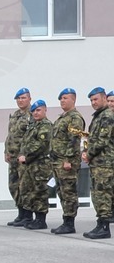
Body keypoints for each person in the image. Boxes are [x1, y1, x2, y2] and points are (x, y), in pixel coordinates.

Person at [50, 88, 86, 235]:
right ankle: (66, 220)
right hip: (57, 161)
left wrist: (68, 160)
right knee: (62, 191)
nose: (62, 101)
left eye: (65, 98)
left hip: (66, 162)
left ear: (73, 99)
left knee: (69, 192)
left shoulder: (75, 118)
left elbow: (74, 140)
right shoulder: (62, 117)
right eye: (61, 99)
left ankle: (69, 223)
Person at [82, 86, 114, 240]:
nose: (93, 102)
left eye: (96, 99)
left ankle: (104, 227)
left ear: (104, 98)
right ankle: (100, 223)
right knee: (97, 194)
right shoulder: (99, 116)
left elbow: (102, 140)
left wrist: (88, 154)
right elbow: (93, 139)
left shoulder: (107, 116)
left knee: (103, 194)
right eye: (91, 100)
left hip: (105, 163)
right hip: (98, 162)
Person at [17, 100, 53, 230]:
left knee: (40, 191)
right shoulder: (33, 125)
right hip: (30, 165)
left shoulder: (46, 125)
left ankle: (41, 219)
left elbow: (40, 145)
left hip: (40, 164)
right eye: (33, 111)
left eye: (38, 110)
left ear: (44, 110)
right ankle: (31, 217)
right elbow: (25, 143)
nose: (35, 113)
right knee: (29, 190)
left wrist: (26, 157)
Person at [5, 88, 33, 227]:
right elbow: (9, 135)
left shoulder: (32, 115)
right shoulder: (15, 115)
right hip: (13, 157)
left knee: (25, 186)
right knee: (13, 185)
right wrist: (6, 151)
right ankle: (21, 212)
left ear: (29, 99)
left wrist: (24, 153)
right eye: (18, 98)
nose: (20, 101)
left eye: (23, 98)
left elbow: (30, 137)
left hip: (24, 158)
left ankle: (27, 215)